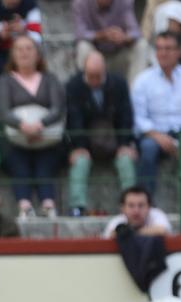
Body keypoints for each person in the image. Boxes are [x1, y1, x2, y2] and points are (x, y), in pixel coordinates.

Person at [0, 34, 65, 218]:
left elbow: (57, 108)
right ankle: (24, 206)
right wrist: (22, 126)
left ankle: (48, 204)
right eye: (19, 49)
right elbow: (3, 111)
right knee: (18, 161)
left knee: (46, 161)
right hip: (16, 137)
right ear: (12, 55)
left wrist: (40, 125)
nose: (24, 53)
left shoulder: (50, 79)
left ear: (38, 54)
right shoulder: (5, 81)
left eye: (29, 48)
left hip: (46, 136)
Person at [133, 31, 181, 202]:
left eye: (168, 48)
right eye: (159, 48)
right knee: (147, 149)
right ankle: (145, 203)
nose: (163, 53)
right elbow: (140, 119)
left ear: (179, 51)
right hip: (155, 136)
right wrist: (159, 137)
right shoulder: (143, 80)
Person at [66, 51, 136, 216]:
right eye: (91, 76)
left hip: (115, 141)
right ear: (84, 71)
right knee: (79, 162)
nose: (95, 80)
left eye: (98, 76)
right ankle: (77, 206)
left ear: (105, 70)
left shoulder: (118, 84)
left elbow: (126, 116)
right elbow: (73, 119)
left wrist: (124, 144)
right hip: (86, 142)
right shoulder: (73, 86)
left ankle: (131, 204)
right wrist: (79, 146)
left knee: (126, 161)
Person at [0, 0, 42, 94]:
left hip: (20, 57)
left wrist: (23, 32)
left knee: (30, 48)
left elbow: (37, 39)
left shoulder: (30, 5)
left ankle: (36, 89)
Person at [73, 0, 148, 83]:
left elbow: (135, 32)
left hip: (119, 54)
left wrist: (123, 37)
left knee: (141, 45)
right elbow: (79, 33)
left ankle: (135, 92)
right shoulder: (80, 3)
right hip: (95, 54)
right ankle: (87, 92)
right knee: (83, 46)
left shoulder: (124, 2)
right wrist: (102, 35)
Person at [102, 184, 172, 237]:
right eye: (131, 205)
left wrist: (128, 233)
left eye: (141, 205)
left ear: (149, 207)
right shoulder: (117, 221)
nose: (136, 211)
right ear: (122, 208)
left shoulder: (157, 214)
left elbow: (163, 231)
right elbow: (110, 235)